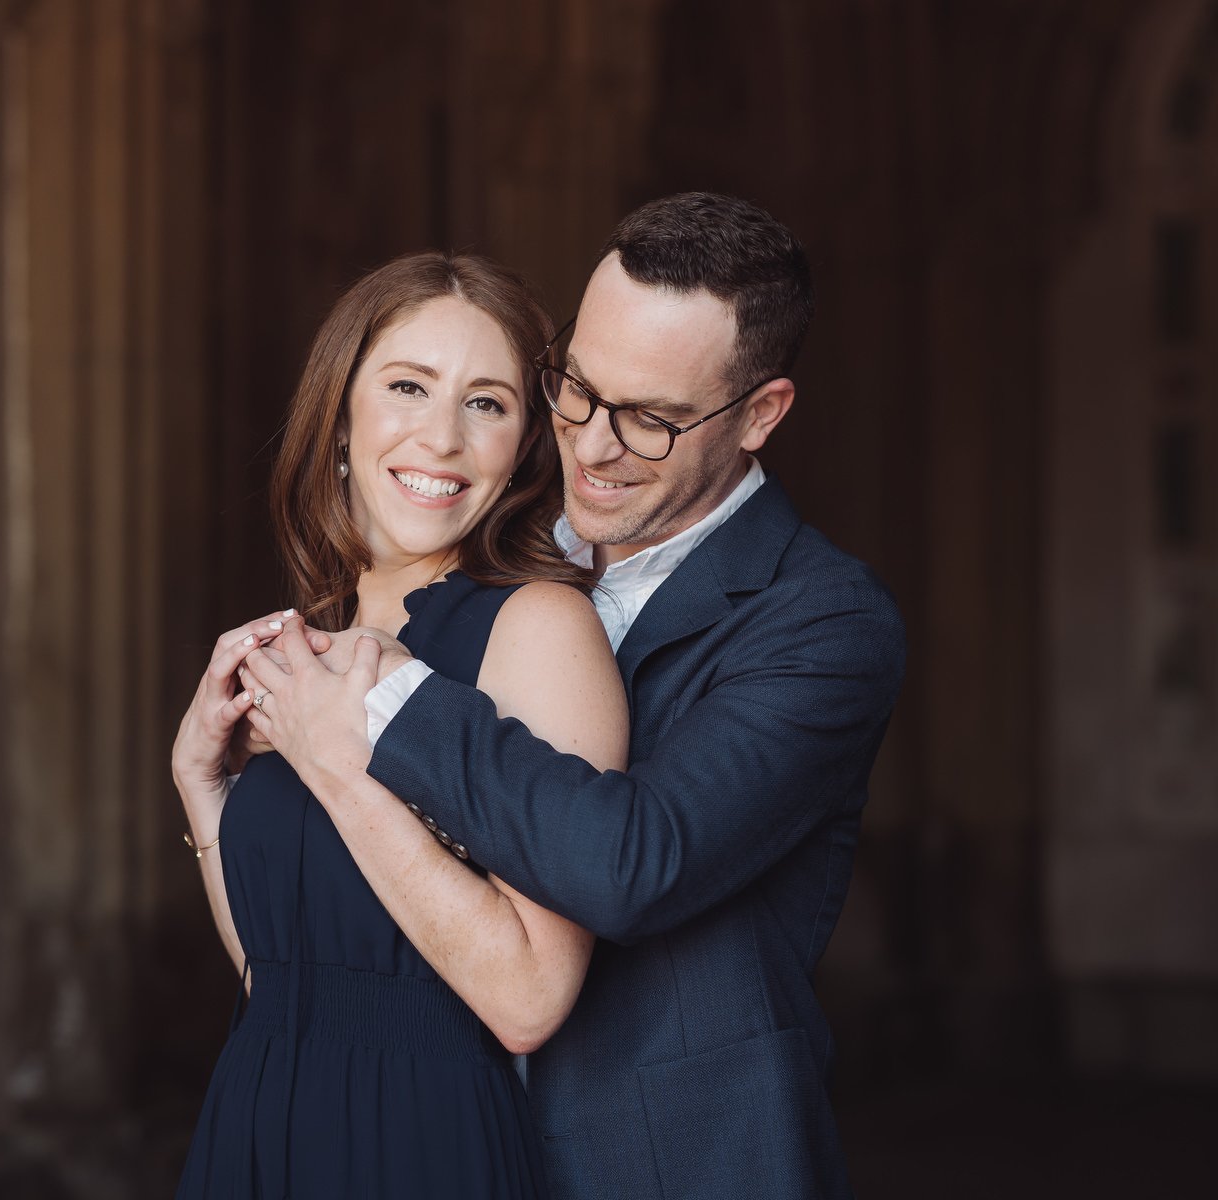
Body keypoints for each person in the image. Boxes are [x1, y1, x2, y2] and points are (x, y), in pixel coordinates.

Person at [243, 193, 906, 1200]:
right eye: (575, 388)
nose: (590, 447)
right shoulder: (473, 547)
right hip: (432, 1141)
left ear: (762, 414)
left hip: (661, 1167)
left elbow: (637, 861)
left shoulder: (823, 623)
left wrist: (381, 708)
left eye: (648, 420)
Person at [171, 251, 627, 1199]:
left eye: (487, 403)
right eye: (409, 386)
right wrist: (202, 793)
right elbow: (283, 976)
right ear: (341, 417)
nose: (443, 437)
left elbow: (529, 999)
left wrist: (332, 759)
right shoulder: (317, 637)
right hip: (259, 1124)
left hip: (420, 1143)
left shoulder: (537, 626)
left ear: (524, 448)